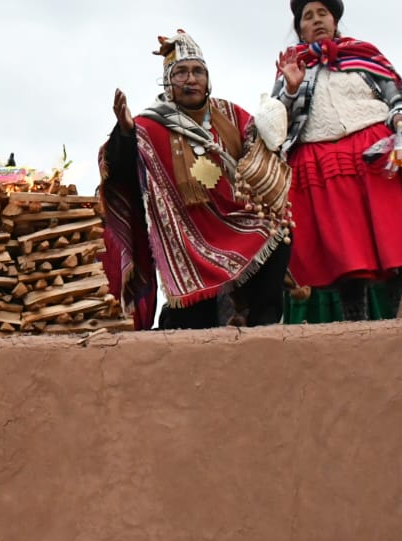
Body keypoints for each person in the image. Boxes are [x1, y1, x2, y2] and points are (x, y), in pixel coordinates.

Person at [270, 0, 402, 320]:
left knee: (397, 246)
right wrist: (289, 89)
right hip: (324, 164)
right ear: (300, 29)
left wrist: (400, 122)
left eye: (323, 13)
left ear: (335, 22)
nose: (316, 20)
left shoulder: (364, 56)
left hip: (375, 155)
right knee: (349, 256)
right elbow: (276, 123)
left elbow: (400, 97)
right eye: (308, 16)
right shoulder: (292, 69)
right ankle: (359, 332)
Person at [99, 28, 292, 330]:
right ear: (168, 81)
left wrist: (286, 96)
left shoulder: (227, 113)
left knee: (276, 232)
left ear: (208, 79)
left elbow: (265, 137)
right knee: (192, 322)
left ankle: (260, 323)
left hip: (231, 219)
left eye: (198, 72)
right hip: (184, 230)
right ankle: (176, 333)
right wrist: (124, 131)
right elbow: (119, 170)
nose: (191, 79)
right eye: (182, 73)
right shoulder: (148, 125)